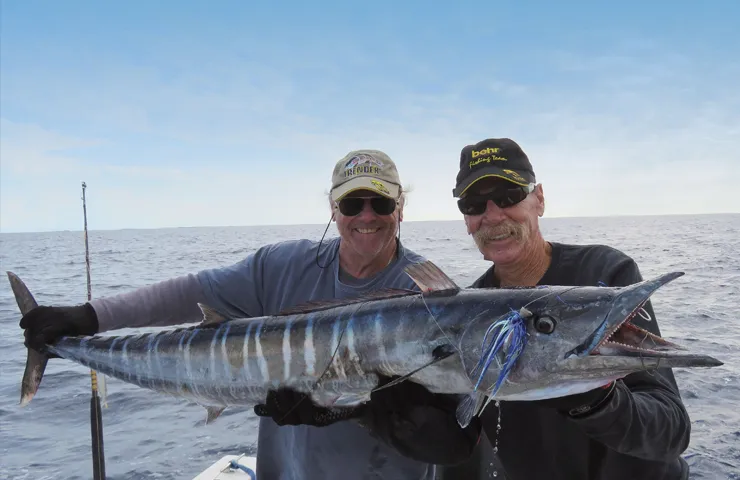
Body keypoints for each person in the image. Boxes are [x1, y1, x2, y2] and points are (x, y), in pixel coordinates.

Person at [18, 149, 480, 480]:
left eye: (380, 203)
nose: (367, 216)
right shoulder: (281, 265)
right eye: (351, 203)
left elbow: (451, 419)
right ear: (333, 209)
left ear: (400, 208)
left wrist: (359, 413)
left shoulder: (428, 292)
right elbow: (191, 291)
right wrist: (89, 318)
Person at [440, 137, 693, 480]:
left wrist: (599, 402)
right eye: (474, 204)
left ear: (539, 199)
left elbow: (669, 431)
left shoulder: (607, 276)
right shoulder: (464, 314)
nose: (493, 215)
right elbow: (461, 438)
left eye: (509, 195)